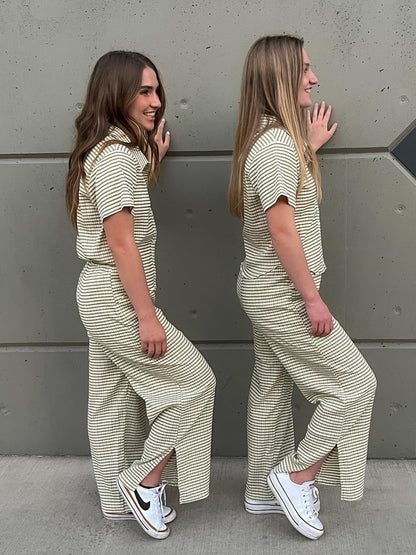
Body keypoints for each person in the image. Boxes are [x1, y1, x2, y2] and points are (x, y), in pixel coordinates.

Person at [228, 35, 377, 540]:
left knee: (271, 388)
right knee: (355, 384)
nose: (314, 78)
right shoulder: (273, 145)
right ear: (280, 76)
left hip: (268, 288)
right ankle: (297, 476)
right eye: (306, 69)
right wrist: (311, 296)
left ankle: (260, 489)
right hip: (285, 293)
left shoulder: (276, 143)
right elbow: (282, 227)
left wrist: (307, 149)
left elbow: (284, 192)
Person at [66, 51, 216, 540]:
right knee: (195, 382)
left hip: (104, 293)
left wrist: (148, 158)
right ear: (116, 94)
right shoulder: (112, 158)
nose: (156, 101)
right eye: (144, 92)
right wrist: (147, 315)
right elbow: (121, 240)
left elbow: (120, 207)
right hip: (117, 296)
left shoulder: (115, 153)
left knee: (111, 401)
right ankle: (143, 480)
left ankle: (116, 501)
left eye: (157, 90)